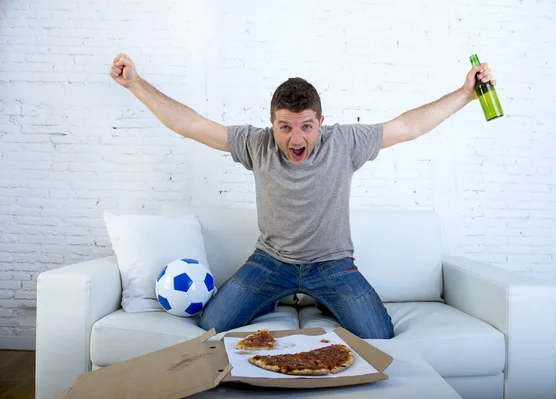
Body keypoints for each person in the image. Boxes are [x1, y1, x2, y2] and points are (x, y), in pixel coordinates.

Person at [109, 53, 496, 339]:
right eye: (285, 127)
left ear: (320, 122)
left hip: (331, 264)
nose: (297, 139)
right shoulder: (256, 144)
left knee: (379, 335)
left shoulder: (344, 142)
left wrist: (466, 93)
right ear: (272, 124)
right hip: (270, 262)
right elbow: (189, 124)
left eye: (307, 127)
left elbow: (409, 125)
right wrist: (135, 84)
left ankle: (322, 297)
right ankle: (280, 295)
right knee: (212, 326)